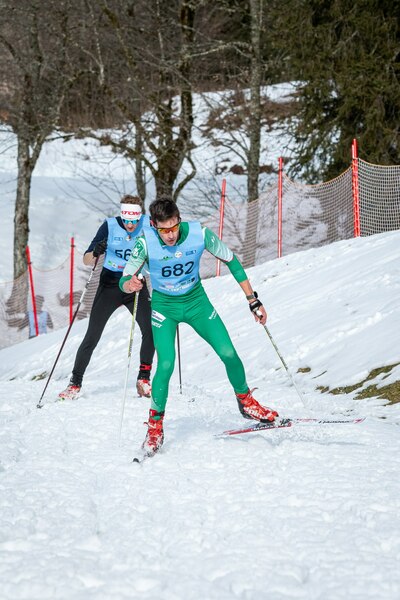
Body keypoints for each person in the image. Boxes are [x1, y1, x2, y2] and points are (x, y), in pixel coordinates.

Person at [119, 197, 278, 457]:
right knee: (166, 364)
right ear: (154, 226)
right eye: (164, 230)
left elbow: (231, 260)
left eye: (174, 227)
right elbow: (124, 279)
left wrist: (252, 299)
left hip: (196, 303)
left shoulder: (199, 233)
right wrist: (130, 284)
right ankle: (155, 427)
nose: (170, 235)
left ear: (179, 220)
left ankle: (246, 402)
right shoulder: (145, 242)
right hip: (164, 308)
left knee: (229, 353)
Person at [59, 195, 155, 401]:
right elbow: (86, 260)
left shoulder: (148, 224)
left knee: (150, 330)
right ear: (122, 215)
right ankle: (74, 384)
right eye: (127, 220)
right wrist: (96, 251)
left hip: (135, 284)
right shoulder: (109, 226)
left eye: (134, 221)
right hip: (110, 285)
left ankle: (144, 379)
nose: (131, 225)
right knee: (92, 336)